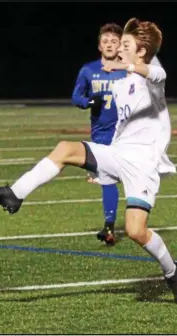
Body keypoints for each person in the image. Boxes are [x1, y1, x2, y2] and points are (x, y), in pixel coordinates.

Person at [0, 17, 177, 304]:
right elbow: (117, 125)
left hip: (142, 164)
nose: (119, 48)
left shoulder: (151, 76)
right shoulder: (121, 81)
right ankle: (15, 194)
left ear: (141, 52)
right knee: (65, 148)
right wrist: (100, 166)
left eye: (126, 44)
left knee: (136, 231)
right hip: (117, 153)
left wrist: (125, 65)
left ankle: (172, 272)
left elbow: (156, 75)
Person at [72, 23, 127, 246]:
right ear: (99, 46)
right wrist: (87, 102)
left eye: (114, 41)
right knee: (107, 179)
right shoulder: (88, 69)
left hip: (128, 132)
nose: (109, 45)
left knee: (134, 179)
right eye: (105, 41)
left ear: (120, 45)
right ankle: (109, 226)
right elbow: (76, 96)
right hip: (102, 133)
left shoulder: (130, 68)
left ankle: (135, 221)